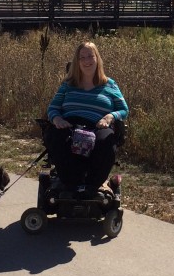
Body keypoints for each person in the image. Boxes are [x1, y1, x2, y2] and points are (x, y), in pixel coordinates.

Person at [44, 41, 128, 195]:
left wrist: (110, 116)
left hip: (98, 125)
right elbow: (53, 108)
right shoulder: (68, 84)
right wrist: (57, 119)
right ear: (77, 62)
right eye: (82, 57)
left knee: (106, 141)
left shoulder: (110, 85)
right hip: (70, 124)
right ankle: (70, 184)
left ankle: (92, 185)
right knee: (57, 137)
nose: (87, 61)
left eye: (90, 56)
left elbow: (123, 109)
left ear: (97, 59)